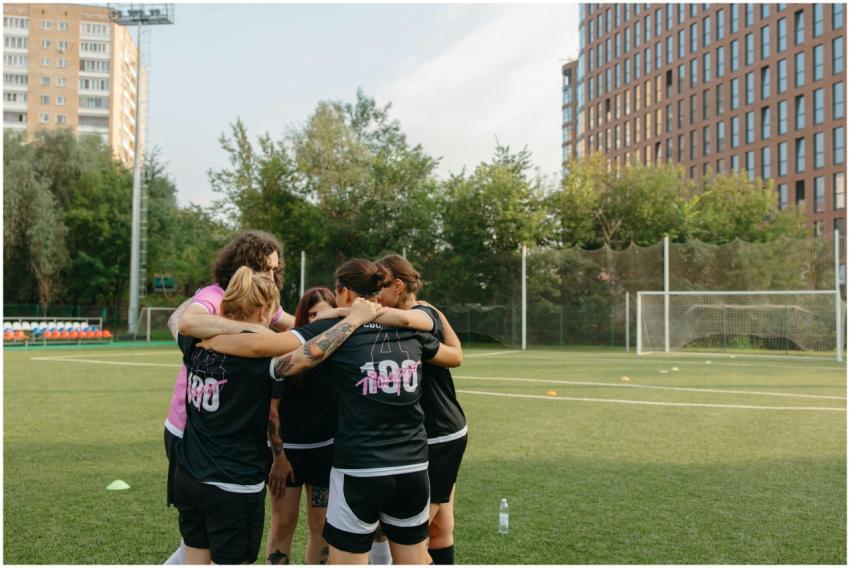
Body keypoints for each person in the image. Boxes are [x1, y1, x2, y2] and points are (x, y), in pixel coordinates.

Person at [198, 259, 463, 565]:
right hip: (413, 467)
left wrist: (210, 341)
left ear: (344, 292)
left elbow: (265, 348)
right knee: (415, 559)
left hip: (359, 469)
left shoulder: (333, 329)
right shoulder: (409, 325)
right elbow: (454, 355)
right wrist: (437, 315)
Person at [174, 266, 384, 565]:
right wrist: (354, 319)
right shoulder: (260, 361)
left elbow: (184, 321)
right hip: (232, 483)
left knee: (195, 559)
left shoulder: (193, 341)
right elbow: (310, 353)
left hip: (189, 476)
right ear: (263, 311)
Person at [163, 230, 294, 565]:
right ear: (243, 265)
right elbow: (189, 321)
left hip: (211, 426)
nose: (270, 276)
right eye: (264, 269)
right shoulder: (214, 295)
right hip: (187, 426)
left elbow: (295, 325)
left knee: (199, 533)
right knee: (205, 524)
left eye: (274, 270)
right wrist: (252, 334)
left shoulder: (261, 299)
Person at [376, 254, 467, 566]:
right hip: (426, 432)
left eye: (380, 287)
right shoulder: (423, 313)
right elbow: (456, 355)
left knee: (411, 531)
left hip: (440, 433)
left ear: (398, 286)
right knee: (439, 525)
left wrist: (358, 313)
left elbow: (454, 355)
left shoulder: (420, 314)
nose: (375, 295)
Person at [266, 287, 338, 565]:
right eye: (312, 315)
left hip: (325, 452)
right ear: (303, 318)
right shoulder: (288, 351)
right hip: (288, 454)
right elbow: (271, 411)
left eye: (325, 314)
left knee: (322, 526)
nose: (318, 320)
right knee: (283, 524)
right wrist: (279, 458)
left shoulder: (340, 352)